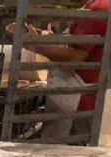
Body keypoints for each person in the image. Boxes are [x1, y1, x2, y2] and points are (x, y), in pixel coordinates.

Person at [9, 1, 109, 137]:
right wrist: (37, 38)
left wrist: (34, 43)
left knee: (70, 153)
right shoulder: (92, 7)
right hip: (74, 95)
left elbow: (73, 57)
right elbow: (71, 45)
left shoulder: (99, 8)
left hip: (79, 100)